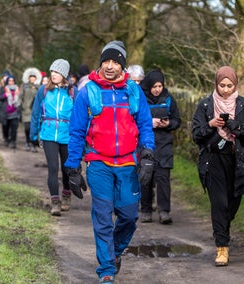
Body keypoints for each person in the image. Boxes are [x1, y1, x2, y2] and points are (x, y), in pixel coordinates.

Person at [64, 40, 155, 284]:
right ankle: (106, 270)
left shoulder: (133, 92)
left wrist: (147, 154)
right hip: (99, 164)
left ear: (122, 66)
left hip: (127, 165)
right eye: (107, 61)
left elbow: (146, 125)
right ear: (101, 62)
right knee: (103, 218)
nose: (111, 66)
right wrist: (73, 167)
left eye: (116, 62)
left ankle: (113, 253)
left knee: (128, 216)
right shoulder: (88, 92)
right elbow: (76, 131)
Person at [192, 66, 244, 267]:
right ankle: (222, 247)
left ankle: (223, 230)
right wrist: (211, 124)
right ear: (216, 84)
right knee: (219, 203)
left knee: (232, 202)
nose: (226, 90)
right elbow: (196, 135)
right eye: (222, 85)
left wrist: (235, 125)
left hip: (236, 160)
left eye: (230, 86)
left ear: (235, 85)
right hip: (213, 160)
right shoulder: (205, 105)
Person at [30, 59, 75, 216]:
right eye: (52, 72)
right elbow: (35, 113)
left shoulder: (72, 92)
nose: (54, 75)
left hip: (67, 134)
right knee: (53, 168)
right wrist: (33, 133)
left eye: (57, 72)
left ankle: (67, 193)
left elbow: (80, 116)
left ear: (64, 74)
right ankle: (55, 202)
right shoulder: (43, 90)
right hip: (48, 133)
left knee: (67, 169)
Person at [139, 69, 181, 224]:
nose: (157, 89)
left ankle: (164, 211)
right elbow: (134, 119)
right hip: (146, 143)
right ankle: (146, 210)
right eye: (154, 86)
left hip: (164, 143)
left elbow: (177, 120)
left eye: (160, 86)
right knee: (146, 177)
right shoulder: (141, 99)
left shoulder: (169, 99)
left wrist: (168, 123)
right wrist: (150, 123)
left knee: (163, 177)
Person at [19, 67, 42, 152]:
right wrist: (19, 105)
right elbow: (20, 96)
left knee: (34, 128)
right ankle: (27, 142)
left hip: (35, 110)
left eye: (34, 77)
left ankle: (33, 144)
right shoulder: (24, 86)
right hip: (26, 110)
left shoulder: (39, 87)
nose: (32, 78)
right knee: (27, 128)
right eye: (31, 77)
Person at [0, 75, 20, 148]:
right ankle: (6, 139)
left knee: (14, 128)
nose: (11, 82)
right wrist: (4, 95)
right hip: (6, 113)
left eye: (12, 81)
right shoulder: (4, 89)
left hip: (15, 112)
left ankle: (13, 141)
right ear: (7, 82)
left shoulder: (18, 89)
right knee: (6, 128)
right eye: (9, 81)